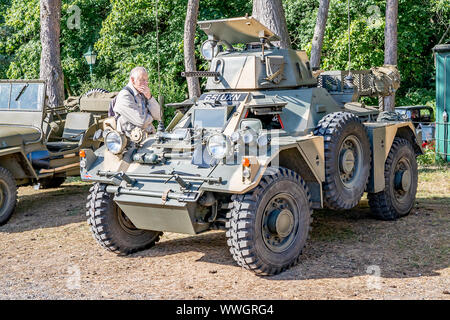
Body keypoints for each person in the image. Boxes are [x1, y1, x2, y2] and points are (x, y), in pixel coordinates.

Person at [113, 67, 161, 137]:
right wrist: (151, 117)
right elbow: (142, 122)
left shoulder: (143, 93)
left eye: (147, 80)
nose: (146, 83)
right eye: (142, 80)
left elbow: (159, 115)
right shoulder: (125, 95)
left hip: (147, 136)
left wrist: (149, 97)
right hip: (131, 141)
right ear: (132, 80)